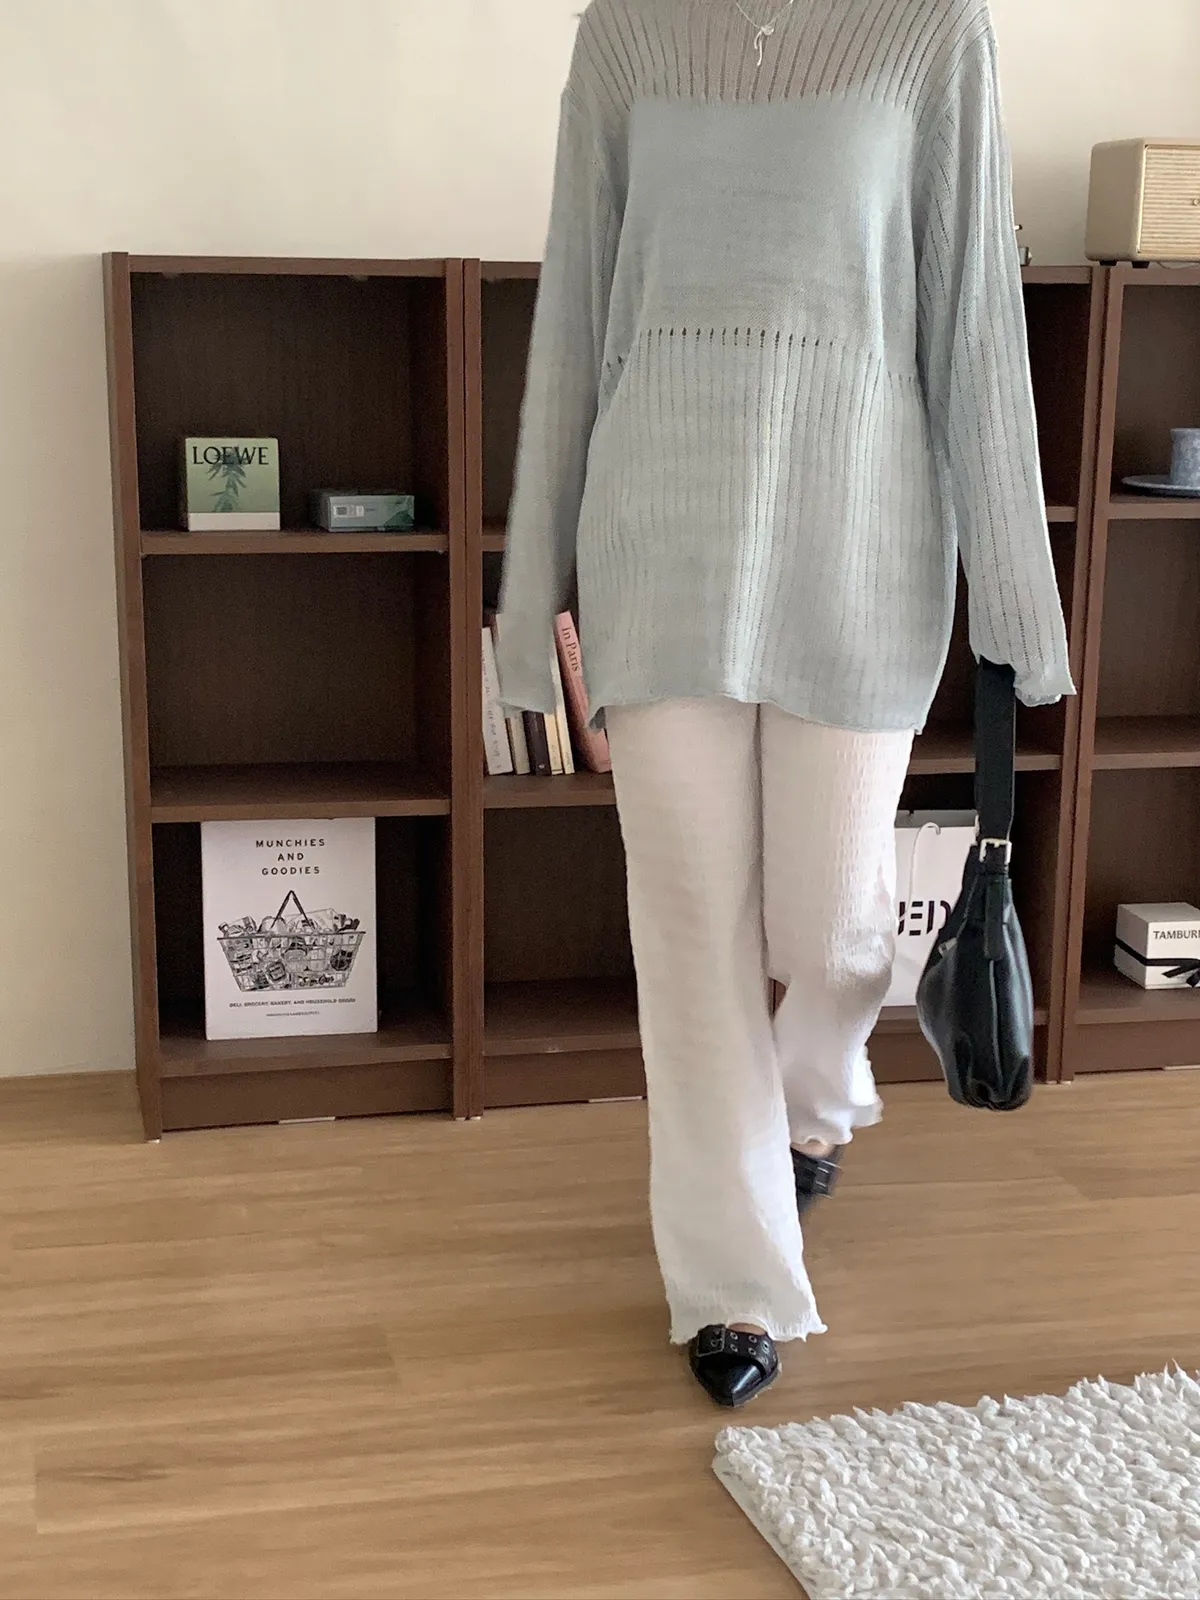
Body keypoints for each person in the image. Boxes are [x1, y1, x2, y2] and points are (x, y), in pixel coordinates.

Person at [495, 0, 1074, 1408]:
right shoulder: (625, 34)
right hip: (661, 548)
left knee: (834, 930)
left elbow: (975, 331)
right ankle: (734, 1282)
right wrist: (527, 606)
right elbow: (572, 318)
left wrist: (1018, 604)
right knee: (690, 931)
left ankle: (819, 1097)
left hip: (859, 550)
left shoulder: (932, 32)